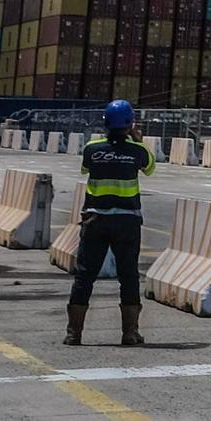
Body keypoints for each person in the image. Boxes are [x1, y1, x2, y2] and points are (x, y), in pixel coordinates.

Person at [65, 99, 155, 346]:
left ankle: (74, 333)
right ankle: (130, 332)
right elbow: (150, 169)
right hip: (127, 222)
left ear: (104, 123)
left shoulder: (92, 149)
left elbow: (85, 170)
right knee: (128, 275)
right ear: (131, 123)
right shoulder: (139, 151)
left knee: (85, 276)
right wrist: (136, 138)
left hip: (95, 219)